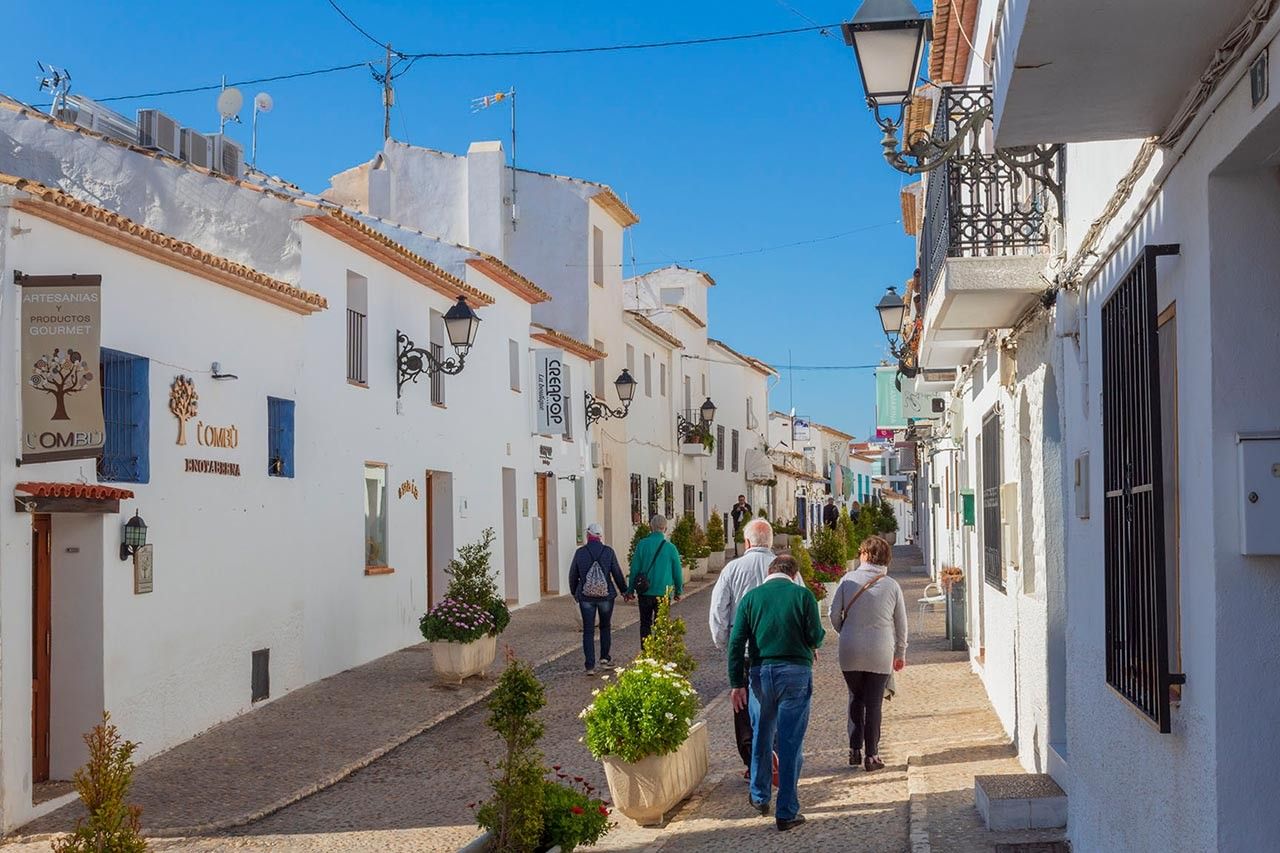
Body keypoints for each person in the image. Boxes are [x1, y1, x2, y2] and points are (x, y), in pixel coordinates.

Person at [728, 554, 825, 832]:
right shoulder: (803, 596)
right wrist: (813, 640)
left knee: (762, 734)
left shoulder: (751, 598)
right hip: (795, 673)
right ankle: (786, 811)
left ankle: (759, 796)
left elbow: (736, 643)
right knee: (790, 741)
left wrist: (736, 683)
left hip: (760, 674)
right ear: (793, 575)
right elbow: (815, 636)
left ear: (769, 572)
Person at [827, 534, 907, 772]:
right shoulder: (891, 585)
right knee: (873, 703)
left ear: (864, 554)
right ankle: (872, 756)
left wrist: (845, 631)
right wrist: (900, 653)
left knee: (855, 697)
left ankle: (854, 750)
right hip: (880, 650)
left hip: (850, 649)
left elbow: (833, 614)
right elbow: (901, 624)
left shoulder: (847, 580)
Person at [710, 518, 778, 779]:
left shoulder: (732, 569)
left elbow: (718, 611)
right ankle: (773, 756)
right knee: (775, 705)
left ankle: (753, 763)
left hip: (745, 651)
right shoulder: (784, 568)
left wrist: (725, 645)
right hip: (777, 652)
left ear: (747, 542)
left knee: (742, 706)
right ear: (770, 542)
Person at [568, 523, 627, 675]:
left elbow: (573, 574)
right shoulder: (608, 552)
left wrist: (574, 592)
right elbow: (617, 573)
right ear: (600, 536)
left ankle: (590, 666)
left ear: (588, 535)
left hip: (586, 596)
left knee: (588, 630)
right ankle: (605, 658)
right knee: (605, 626)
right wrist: (624, 591)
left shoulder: (580, 552)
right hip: (606, 596)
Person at [626, 513, 683, 641]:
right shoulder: (670, 548)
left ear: (651, 527)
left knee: (645, 623)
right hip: (663, 592)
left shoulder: (642, 545)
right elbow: (677, 572)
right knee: (661, 625)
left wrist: (630, 590)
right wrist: (678, 591)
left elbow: (634, 569)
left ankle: (646, 650)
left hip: (645, 592)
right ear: (665, 529)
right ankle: (659, 649)